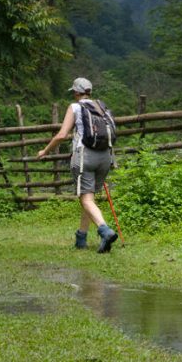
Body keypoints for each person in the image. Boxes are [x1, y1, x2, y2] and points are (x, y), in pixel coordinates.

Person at [35, 77, 118, 253]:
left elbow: (61, 135)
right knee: (88, 198)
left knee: (86, 199)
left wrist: (45, 151)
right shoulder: (101, 106)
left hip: (85, 156)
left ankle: (105, 230)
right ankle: (81, 238)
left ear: (76, 92)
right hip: (105, 157)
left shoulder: (75, 107)